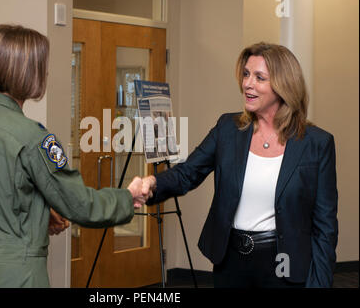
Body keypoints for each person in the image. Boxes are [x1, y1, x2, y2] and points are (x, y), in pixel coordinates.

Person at [0, 24, 146, 288]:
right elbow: (80, 205)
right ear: (29, 72)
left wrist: (32, 220)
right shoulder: (33, 138)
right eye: (42, 65)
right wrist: (128, 197)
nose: (46, 72)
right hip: (21, 278)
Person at [140, 42, 338, 288]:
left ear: (284, 85)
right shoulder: (228, 129)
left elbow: (325, 226)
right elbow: (187, 173)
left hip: (284, 263)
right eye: (246, 74)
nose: (247, 83)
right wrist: (153, 183)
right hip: (231, 261)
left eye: (259, 77)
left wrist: (320, 282)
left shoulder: (317, 143)